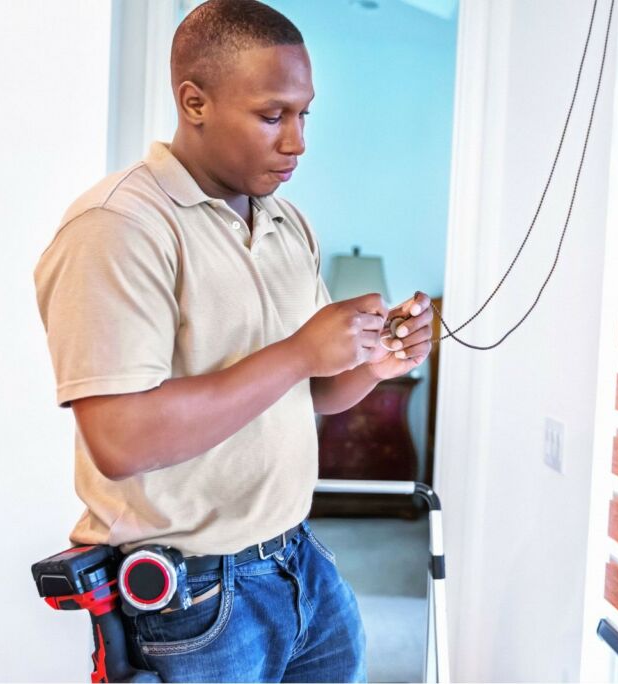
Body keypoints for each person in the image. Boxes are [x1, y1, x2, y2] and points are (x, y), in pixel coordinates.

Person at [33, 1, 434, 680]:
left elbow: (311, 396)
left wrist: (374, 365)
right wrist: (298, 351)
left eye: (305, 113)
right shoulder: (118, 227)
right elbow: (121, 441)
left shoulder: (290, 225)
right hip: (193, 601)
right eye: (273, 114)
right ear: (194, 102)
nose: (298, 141)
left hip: (299, 562)